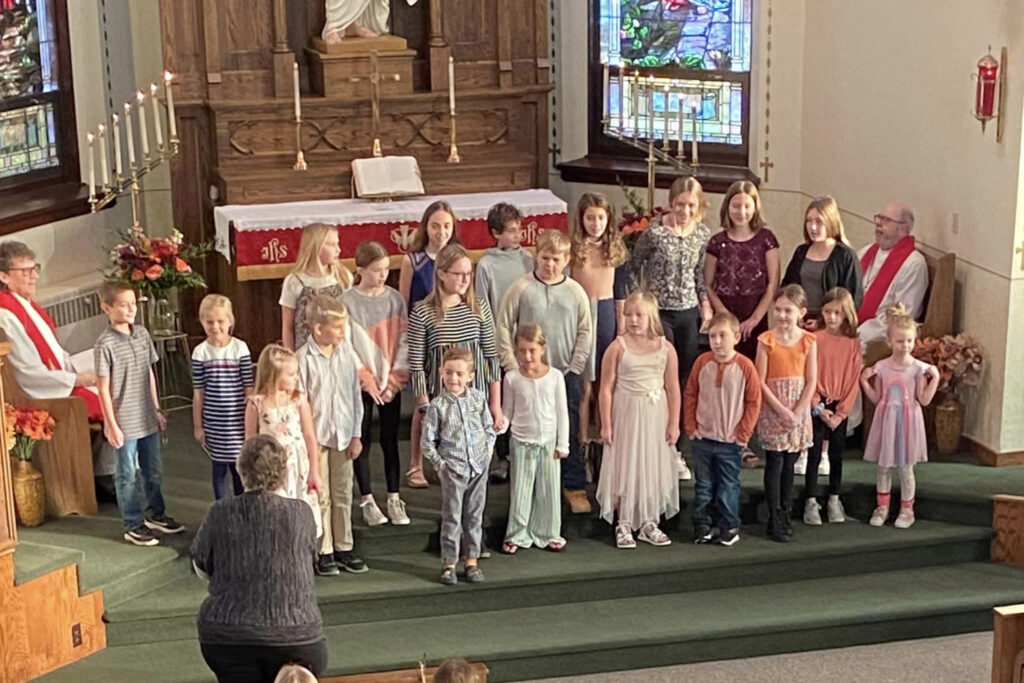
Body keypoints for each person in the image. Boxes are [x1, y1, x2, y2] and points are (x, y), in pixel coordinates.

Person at [192, 435, 327, 683]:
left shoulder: (220, 512)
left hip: (229, 635)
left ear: (240, 469)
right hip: (299, 637)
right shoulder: (303, 513)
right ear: (285, 472)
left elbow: (200, 566)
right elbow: (310, 561)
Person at [0, 241, 111, 493]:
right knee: (107, 400)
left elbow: (54, 352)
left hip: (56, 378)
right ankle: (104, 478)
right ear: (4, 276)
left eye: (34, 268)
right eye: (25, 271)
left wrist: (77, 369)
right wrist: (76, 379)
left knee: (113, 385)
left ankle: (104, 471)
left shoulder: (25, 305)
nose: (34, 275)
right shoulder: (6, 314)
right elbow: (27, 372)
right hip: (39, 390)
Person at [496, 229, 592, 514]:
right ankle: (526, 482)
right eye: (545, 258)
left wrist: (576, 365)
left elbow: (585, 329)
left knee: (568, 426)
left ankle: (572, 484)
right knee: (526, 427)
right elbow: (502, 325)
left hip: (563, 372)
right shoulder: (521, 287)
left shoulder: (575, 291)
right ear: (536, 256)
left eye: (556, 259)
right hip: (526, 373)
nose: (550, 264)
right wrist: (512, 365)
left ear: (566, 260)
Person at [625, 175, 712, 479]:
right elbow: (634, 266)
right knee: (662, 377)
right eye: (679, 204)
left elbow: (700, 275)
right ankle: (655, 444)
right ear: (671, 203)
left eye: (690, 205)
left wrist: (705, 304)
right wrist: (639, 305)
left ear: (698, 206)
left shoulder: (702, 234)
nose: (685, 210)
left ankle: (677, 449)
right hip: (659, 312)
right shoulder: (655, 234)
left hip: (687, 312)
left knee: (685, 380)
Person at [94, 281, 183, 546]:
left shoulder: (142, 334)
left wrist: (156, 408)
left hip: (146, 416)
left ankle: (156, 513)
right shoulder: (105, 344)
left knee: (152, 469)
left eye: (134, 303)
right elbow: (103, 388)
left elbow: (149, 374)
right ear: (106, 308)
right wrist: (111, 425)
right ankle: (132, 523)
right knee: (126, 474)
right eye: (123, 304)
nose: (131, 309)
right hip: (124, 420)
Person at [408, 244, 503, 485]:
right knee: (449, 473)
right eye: (458, 274)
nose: (465, 279)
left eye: (468, 273)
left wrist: (495, 403)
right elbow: (417, 365)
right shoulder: (422, 312)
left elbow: (491, 357)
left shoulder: (479, 307)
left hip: (473, 397)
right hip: (443, 399)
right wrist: (424, 406)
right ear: (441, 274)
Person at [596, 291, 680, 549]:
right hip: (627, 413)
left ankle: (649, 521)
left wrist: (674, 423)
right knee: (626, 464)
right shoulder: (617, 348)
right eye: (629, 314)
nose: (633, 320)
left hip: (655, 414)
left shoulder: (666, 348)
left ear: (651, 316)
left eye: (639, 315)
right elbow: (606, 388)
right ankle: (623, 522)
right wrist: (606, 424)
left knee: (650, 464)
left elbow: (673, 387)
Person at [296, 296, 368, 576]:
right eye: (337, 328)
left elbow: (354, 396)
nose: (341, 333)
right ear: (317, 329)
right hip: (318, 438)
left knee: (342, 493)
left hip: (343, 434)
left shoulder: (347, 354)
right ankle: (324, 549)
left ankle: (344, 545)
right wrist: (307, 440)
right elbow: (301, 403)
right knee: (320, 495)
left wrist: (356, 434)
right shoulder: (303, 359)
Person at [343, 241, 410, 526]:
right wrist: (366, 380)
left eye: (386, 269)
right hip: (362, 384)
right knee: (363, 440)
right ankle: (368, 500)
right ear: (360, 270)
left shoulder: (394, 299)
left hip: (389, 381)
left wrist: (394, 379)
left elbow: (404, 341)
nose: (383, 275)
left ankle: (394, 498)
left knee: (390, 439)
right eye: (376, 270)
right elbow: (346, 345)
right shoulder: (347, 301)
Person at [684, 311, 761, 547]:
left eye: (722, 336)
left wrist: (744, 434)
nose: (717, 341)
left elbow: (753, 402)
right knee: (704, 486)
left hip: (730, 441)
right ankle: (703, 526)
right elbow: (691, 393)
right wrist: (691, 425)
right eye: (712, 336)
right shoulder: (702, 362)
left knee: (728, 485)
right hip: (703, 438)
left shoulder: (745, 367)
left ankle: (729, 526)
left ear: (736, 337)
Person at [421, 348, 497, 585]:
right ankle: (449, 564)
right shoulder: (438, 405)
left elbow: (488, 428)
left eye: (459, 374)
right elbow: (427, 441)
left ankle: (472, 560)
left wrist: (487, 452)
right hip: (453, 469)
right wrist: (440, 465)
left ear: (470, 376)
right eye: (449, 373)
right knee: (452, 517)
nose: (454, 378)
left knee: (474, 515)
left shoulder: (478, 399)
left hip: (477, 466)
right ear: (442, 373)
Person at [861, 304, 940, 529]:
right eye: (899, 341)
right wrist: (864, 381)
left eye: (909, 341)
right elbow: (877, 398)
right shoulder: (882, 367)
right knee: (884, 466)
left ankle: (907, 510)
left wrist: (934, 378)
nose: (905, 346)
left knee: (906, 468)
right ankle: (882, 507)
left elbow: (923, 400)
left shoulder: (918, 369)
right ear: (889, 342)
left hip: (908, 423)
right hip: (886, 421)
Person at [399, 200, 460, 488]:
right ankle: (415, 465)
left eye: (446, 225)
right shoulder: (413, 260)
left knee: (449, 406)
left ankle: (446, 462)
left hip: (452, 344)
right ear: (426, 227)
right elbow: (403, 304)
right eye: (435, 225)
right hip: (423, 341)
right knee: (424, 408)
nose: (441, 231)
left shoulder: (458, 259)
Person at [475, 202, 534, 485]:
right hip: (498, 340)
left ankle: (518, 454)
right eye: (510, 231)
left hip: (524, 339)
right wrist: (491, 340)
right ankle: (499, 456)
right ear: (495, 233)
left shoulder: (528, 260)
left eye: (519, 229)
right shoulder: (486, 265)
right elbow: (482, 305)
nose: (517, 235)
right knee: (499, 400)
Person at [244, 344, 324, 552]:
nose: (296, 378)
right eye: (291, 374)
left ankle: (300, 553)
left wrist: (315, 471)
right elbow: (250, 441)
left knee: (299, 509)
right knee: (274, 512)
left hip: (298, 467)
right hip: (271, 468)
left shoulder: (298, 400)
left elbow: (309, 436)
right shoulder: (256, 404)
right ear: (274, 375)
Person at [569, 193, 628, 471]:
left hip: (605, 316)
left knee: (604, 383)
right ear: (581, 219)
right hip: (580, 316)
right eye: (590, 217)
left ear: (609, 220)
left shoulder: (614, 250)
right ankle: (581, 443)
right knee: (584, 385)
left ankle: (601, 442)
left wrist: (622, 328)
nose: (595, 223)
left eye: (601, 218)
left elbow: (620, 295)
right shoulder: (573, 248)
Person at [755, 284, 817, 543]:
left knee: (790, 464)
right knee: (775, 462)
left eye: (788, 310)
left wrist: (798, 412)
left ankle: (786, 510)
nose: (782, 315)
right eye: (778, 309)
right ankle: (774, 515)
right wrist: (781, 410)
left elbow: (811, 380)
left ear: (801, 312)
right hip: (774, 406)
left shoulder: (808, 341)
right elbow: (760, 380)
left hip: (798, 408)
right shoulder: (766, 341)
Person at [500, 323, 569, 554]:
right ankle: (517, 534)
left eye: (532, 350)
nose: (527, 356)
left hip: (548, 442)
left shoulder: (555, 377)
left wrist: (563, 444)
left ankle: (549, 532)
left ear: (542, 349)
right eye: (522, 351)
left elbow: (562, 413)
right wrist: (499, 428)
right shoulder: (511, 379)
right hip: (521, 442)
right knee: (521, 489)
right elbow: (507, 412)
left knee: (548, 489)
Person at [803, 288, 862, 526]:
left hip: (839, 406)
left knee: (837, 454)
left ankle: (834, 499)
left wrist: (841, 413)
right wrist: (817, 404)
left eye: (838, 313)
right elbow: (810, 374)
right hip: (818, 403)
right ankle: (810, 499)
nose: (832, 318)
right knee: (814, 453)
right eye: (828, 312)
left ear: (847, 314)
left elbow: (853, 379)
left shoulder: (852, 343)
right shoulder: (814, 338)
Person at [704, 180, 780, 361]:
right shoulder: (717, 241)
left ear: (755, 208)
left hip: (755, 311)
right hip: (725, 311)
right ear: (727, 207)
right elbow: (708, 284)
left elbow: (773, 283)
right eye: (736, 206)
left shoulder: (766, 239)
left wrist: (754, 319)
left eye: (747, 206)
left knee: (753, 366)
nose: (741, 212)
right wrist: (724, 314)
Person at [192, 294, 255, 500]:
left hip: (237, 422)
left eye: (220, 321)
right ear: (202, 321)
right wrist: (198, 426)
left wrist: (250, 423)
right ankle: (223, 512)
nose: (215, 327)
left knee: (240, 471)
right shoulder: (200, 353)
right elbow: (198, 392)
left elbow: (249, 387)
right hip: (215, 424)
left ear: (230, 321)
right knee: (219, 471)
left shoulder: (240, 348)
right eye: (209, 322)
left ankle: (243, 510)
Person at [856, 202, 929, 350]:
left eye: (886, 220)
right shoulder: (867, 251)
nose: (878, 224)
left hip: (876, 339)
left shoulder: (913, 264)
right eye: (878, 218)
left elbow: (902, 317)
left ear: (903, 229)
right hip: (853, 325)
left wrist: (857, 333)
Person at [782, 195, 863, 325]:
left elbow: (853, 299)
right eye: (809, 221)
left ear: (830, 222)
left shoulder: (845, 256)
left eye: (819, 222)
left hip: (831, 327)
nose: (813, 227)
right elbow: (788, 287)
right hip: (800, 323)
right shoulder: (801, 251)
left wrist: (822, 322)